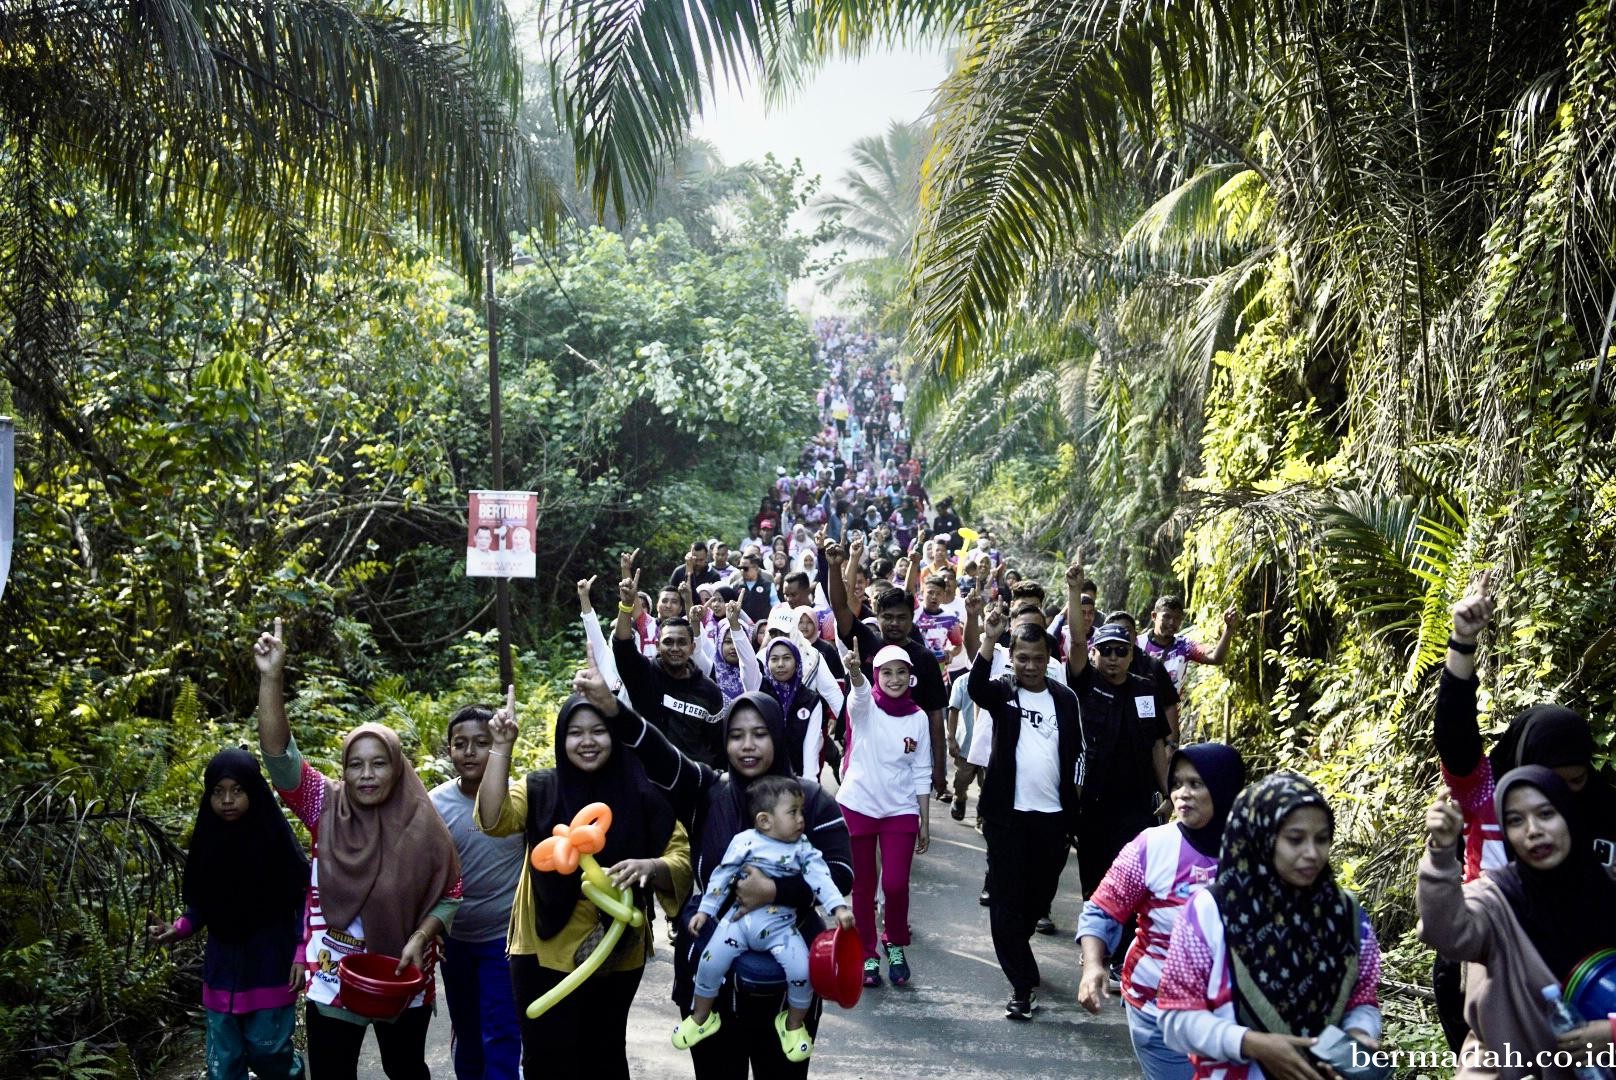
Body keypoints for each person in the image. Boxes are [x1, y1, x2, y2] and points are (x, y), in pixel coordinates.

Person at [577, 667, 854, 1080]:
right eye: (736, 734)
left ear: (777, 736)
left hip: (787, 975)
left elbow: (840, 871)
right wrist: (613, 710)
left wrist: (775, 890)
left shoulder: (809, 800)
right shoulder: (706, 790)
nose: (747, 745)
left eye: (759, 733)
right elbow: (660, 753)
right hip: (709, 965)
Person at [253, 619, 463, 1080]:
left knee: (407, 1069)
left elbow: (451, 892)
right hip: (332, 978)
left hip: (403, 973)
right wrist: (271, 677)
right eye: (355, 764)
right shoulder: (324, 806)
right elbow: (279, 759)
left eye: (379, 763)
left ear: (397, 768)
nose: (367, 775)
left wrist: (420, 938)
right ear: (343, 770)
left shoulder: (422, 822)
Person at [1429, 572, 1616, 1050]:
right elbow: (1454, 735)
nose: (1541, 820)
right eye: (1519, 815)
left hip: (1581, 972)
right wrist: (1463, 642)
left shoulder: (1598, 806)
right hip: (1487, 951)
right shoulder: (1487, 790)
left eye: (1572, 785)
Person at [475, 688, 690, 1080]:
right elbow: (493, 819)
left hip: (617, 952)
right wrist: (500, 747)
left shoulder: (643, 793)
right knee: (545, 1059)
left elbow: (679, 858)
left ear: (615, 734)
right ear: (562, 738)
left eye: (598, 731)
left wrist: (651, 866)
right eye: (575, 732)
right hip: (541, 950)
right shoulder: (540, 788)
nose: (587, 742)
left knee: (604, 1056)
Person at [1157, 772, 1383, 1080]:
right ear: (1260, 836)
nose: (1312, 853)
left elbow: (1363, 1001)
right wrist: (1253, 1044)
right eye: (1295, 839)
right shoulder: (1210, 912)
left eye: (1322, 839)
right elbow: (1175, 1018)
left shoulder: (1346, 915)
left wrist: (1357, 1037)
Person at [1419, 767, 1616, 1079]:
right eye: (1515, 821)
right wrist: (1441, 853)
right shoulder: (1496, 898)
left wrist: (1612, 1032)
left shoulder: (1606, 890)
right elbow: (1447, 933)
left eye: (1546, 813)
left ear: (1568, 815)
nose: (1533, 830)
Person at [1077, 744, 1247, 1080]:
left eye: (1196, 784)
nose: (1183, 794)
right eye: (1177, 783)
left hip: (1235, 1018)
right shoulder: (1151, 846)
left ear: (1224, 786)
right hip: (1158, 1009)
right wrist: (1093, 966)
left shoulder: (1257, 854)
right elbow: (1101, 911)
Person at [147, 749, 308, 1080]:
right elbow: (203, 906)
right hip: (223, 971)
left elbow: (304, 898)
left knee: (270, 1053)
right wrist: (178, 929)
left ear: (254, 791)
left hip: (271, 965)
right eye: (218, 792)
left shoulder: (275, 841)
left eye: (237, 790)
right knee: (224, 1061)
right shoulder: (209, 841)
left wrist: (301, 952)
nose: (227, 800)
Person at [675, 775, 856, 1063]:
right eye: (793, 812)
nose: (801, 819)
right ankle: (701, 1016)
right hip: (738, 925)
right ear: (764, 820)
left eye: (801, 811)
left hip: (782, 930)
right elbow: (720, 876)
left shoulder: (803, 849)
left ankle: (793, 1026)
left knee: (802, 973)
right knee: (709, 963)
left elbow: (822, 879)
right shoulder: (743, 842)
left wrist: (839, 909)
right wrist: (704, 911)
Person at [967, 605, 1084, 1021]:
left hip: (1052, 818)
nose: (1030, 666)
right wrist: (987, 640)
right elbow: (975, 689)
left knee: (1038, 899)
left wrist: (1076, 806)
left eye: (1038, 659)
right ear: (1012, 658)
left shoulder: (1066, 699)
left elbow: (1078, 754)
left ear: (1049, 659)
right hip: (1007, 816)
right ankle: (1022, 983)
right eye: (1022, 658)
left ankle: (1017, 947)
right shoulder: (1003, 691)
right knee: (1005, 899)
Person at [1064, 555, 1172, 950]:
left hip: (1137, 802)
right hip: (1091, 800)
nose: (1112, 658)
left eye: (1119, 651)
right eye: (1105, 650)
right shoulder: (1085, 684)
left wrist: (1169, 790)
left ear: (1131, 654)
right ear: (1095, 654)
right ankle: (1095, 941)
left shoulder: (1146, 689)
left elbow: (1158, 743)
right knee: (1094, 874)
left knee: (1132, 874)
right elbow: (1076, 639)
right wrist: (1075, 592)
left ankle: (1122, 948)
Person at [429, 705, 525, 1080]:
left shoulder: (519, 799)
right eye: (460, 744)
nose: (470, 752)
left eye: (481, 743)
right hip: (455, 940)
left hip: (504, 938)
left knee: (502, 1030)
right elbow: (424, 872)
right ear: (449, 750)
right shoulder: (435, 805)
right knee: (467, 1029)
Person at [838, 642, 932, 988]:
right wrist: (855, 675)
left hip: (901, 810)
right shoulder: (865, 708)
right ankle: (867, 954)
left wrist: (924, 818)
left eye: (901, 672)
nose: (894, 679)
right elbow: (860, 696)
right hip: (859, 804)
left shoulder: (918, 717)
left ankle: (894, 942)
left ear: (911, 676)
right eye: (887, 673)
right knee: (862, 888)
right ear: (877, 675)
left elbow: (922, 769)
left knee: (894, 884)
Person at [827, 538, 949, 797]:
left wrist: (939, 769)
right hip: (866, 756)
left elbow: (935, 717)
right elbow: (839, 606)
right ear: (877, 616)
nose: (894, 623)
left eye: (901, 617)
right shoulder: (865, 642)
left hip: (907, 761)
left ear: (911, 618)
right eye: (888, 617)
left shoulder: (924, 659)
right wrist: (834, 567)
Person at [612, 568, 726, 769]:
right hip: (647, 779)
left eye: (682, 642)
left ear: (692, 647)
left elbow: (717, 745)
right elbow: (623, 646)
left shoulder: (709, 691)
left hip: (692, 783)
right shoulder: (643, 676)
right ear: (657, 645)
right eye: (668, 642)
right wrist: (626, 606)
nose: (675, 648)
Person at [1137, 596, 1241, 694]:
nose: (1172, 622)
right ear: (1154, 616)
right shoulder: (1137, 644)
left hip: (1170, 712)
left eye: (1177, 618)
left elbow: (1216, 658)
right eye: (1167, 616)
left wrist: (1229, 628)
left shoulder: (1184, 646)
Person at [759, 636, 827, 777]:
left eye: (787, 658)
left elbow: (810, 752)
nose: (780, 664)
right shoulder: (760, 692)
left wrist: (809, 789)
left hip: (798, 777)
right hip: (763, 778)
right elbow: (746, 665)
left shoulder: (811, 700)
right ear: (767, 662)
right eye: (774, 659)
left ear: (797, 662)